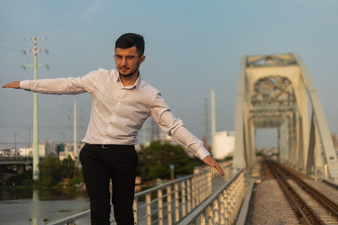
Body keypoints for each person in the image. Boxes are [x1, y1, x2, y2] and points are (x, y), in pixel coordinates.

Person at [2, 33, 224, 225]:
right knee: (99, 213)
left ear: (142, 58)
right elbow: (65, 85)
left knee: (124, 214)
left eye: (129, 57)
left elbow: (173, 125)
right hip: (93, 153)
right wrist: (24, 84)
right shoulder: (99, 78)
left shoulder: (150, 94)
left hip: (123, 155)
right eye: (119, 56)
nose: (123, 63)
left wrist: (202, 152)